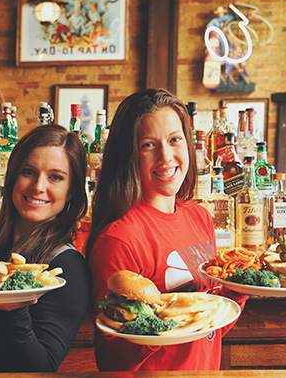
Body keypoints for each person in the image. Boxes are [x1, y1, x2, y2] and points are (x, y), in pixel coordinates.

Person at [86, 88, 248, 371]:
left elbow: (210, 331)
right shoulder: (119, 240)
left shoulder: (200, 218)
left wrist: (238, 291)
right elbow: (110, 360)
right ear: (128, 156)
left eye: (175, 140)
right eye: (148, 145)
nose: (166, 156)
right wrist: (155, 329)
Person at [0, 124, 91, 373]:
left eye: (55, 177)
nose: (38, 186)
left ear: (71, 191)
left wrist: (13, 311)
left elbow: (41, 369)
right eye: (29, 171)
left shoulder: (66, 266)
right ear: (13, 176)